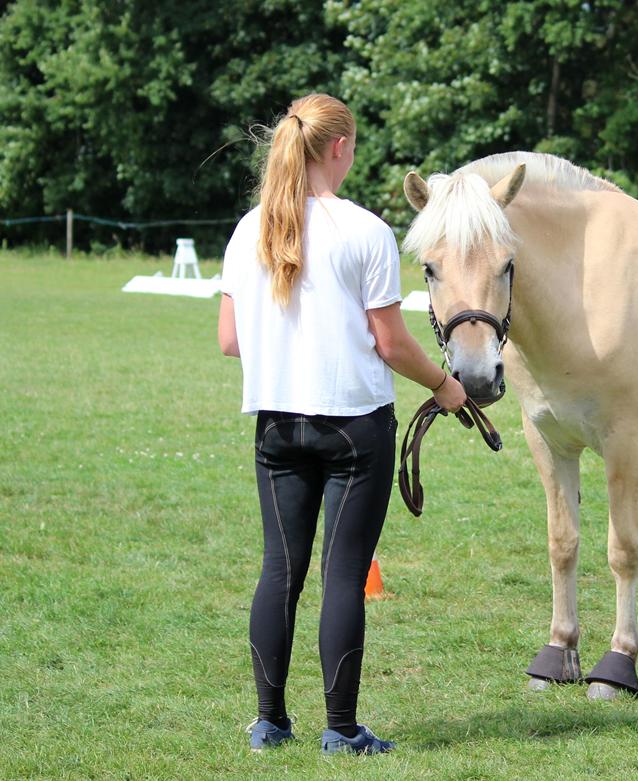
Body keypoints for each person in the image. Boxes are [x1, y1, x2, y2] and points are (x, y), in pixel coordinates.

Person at [218, 93, 467, 754]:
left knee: (281, 571)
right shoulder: (364, 231)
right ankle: (342, 727)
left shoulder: (250, 230)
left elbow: (229, 339)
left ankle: (269, 720)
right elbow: (390, 343)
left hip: (276, 426)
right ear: (338, 148)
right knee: (344, 571)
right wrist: (446, 386)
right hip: (355, 428)